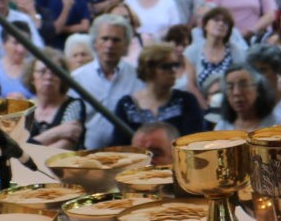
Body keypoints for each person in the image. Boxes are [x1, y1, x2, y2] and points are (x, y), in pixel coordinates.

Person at [55, 15, 140, 150]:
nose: (109, 45)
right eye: (105, 39)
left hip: (127, 155)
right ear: (95, 42)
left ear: (126, 45)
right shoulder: (77, 79)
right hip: (86, 156)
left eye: (116, 40)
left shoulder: (137, 78)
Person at [118, 40, 210, 138]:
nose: (173, 71)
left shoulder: (186, 101)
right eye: (166, 67)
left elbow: (193, 142)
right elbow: (120, 145)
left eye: (175, 65)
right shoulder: (126, 105)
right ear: (149, 69)